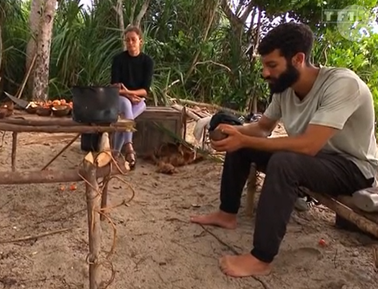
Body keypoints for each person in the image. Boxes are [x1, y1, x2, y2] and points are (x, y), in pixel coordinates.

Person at [190, 22, 378, 277]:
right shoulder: (284, 87)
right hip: (315, 160)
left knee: (284, 162)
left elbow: (310, 145)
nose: (265, 73)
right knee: (243, 142)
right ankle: (227, 213)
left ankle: (262, 257)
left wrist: (245, 139)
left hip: (354, 168)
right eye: (265, 66)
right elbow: (263, 128)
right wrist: (232, 132)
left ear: (298, 59)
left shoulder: (342, 84)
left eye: (272, 65)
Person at [110, 26, 154, 169]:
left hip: (138, 100)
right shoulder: (118, 59)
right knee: (127, 105)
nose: (130, 43)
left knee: (126, 119)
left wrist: (132, 93)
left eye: (133, 40)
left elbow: (145, 91)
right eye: (127, 40)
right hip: (121, 99)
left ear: (140, 41)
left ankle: (115, 153)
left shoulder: (147, 61)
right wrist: (129, 94)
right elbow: (115, 88)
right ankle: (129, 146)